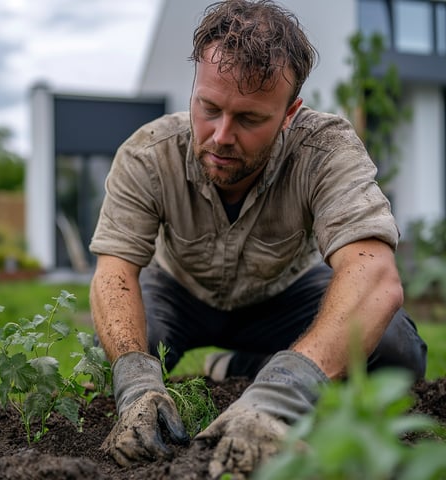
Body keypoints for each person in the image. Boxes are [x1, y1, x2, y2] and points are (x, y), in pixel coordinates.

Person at [89, 0, 427, 477]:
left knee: (396, 350)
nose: (222, 136)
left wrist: (280, 396)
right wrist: (135, 384)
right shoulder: (147, 155)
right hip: (178, 293)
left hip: (281, 296)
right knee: (127, 349)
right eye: (209, 108)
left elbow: (373, 273)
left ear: (290, 113)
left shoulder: (325, 149)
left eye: (249, 119)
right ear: (194, 90)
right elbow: (114, 273)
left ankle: (246, 365)